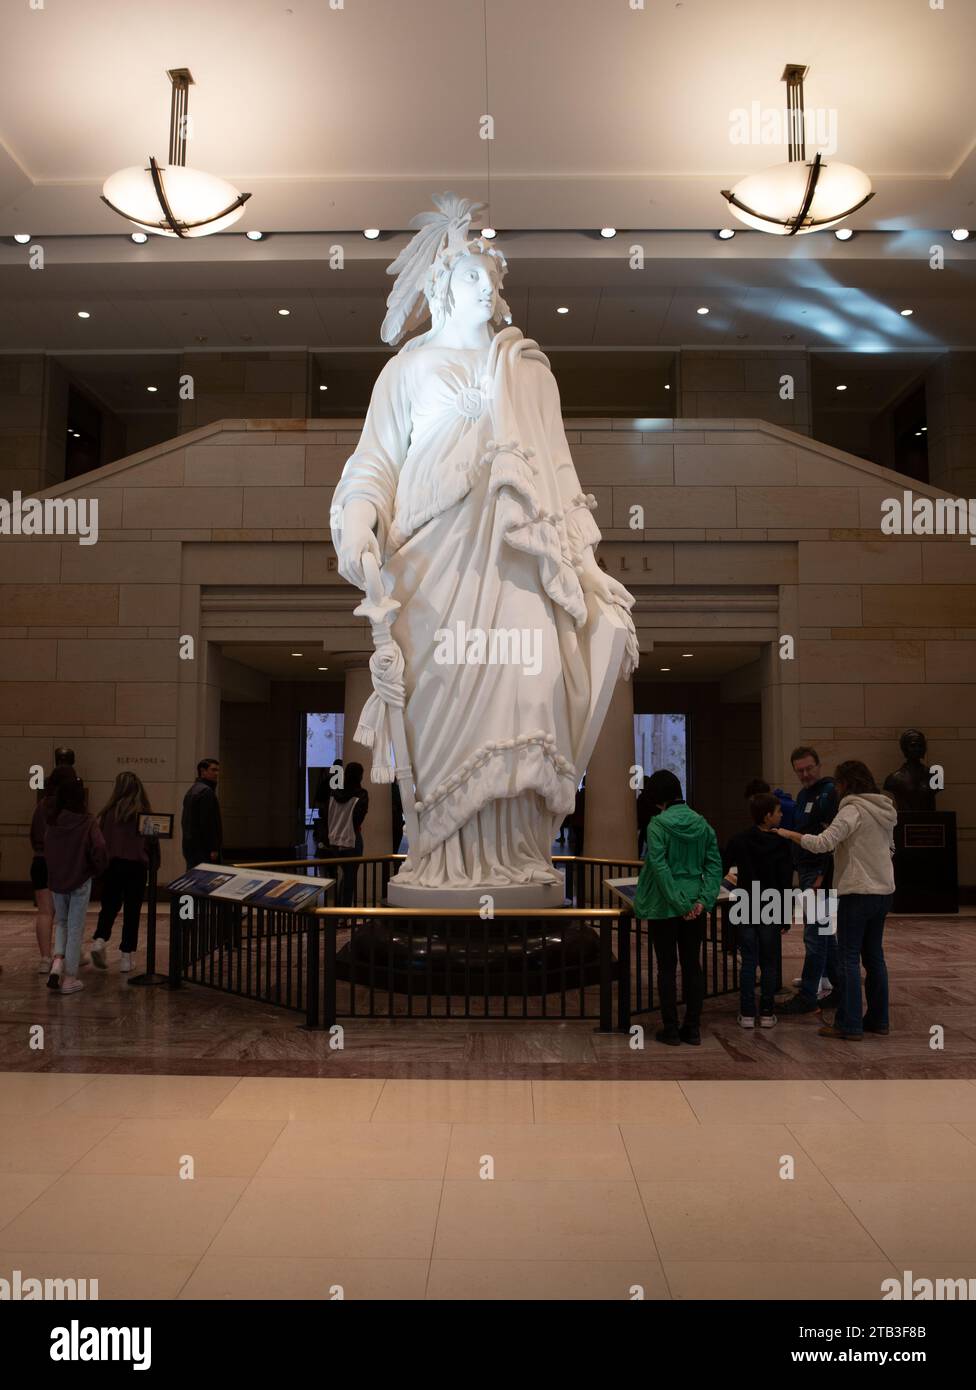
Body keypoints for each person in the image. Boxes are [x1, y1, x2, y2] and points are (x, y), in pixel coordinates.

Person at [777, 760, 896, 1041]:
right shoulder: (885, 810)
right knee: (875, 957)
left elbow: (823, 843)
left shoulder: (852, 809)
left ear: (845, 784)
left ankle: (849, 1023)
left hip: (857, 892)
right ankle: (879, 1020)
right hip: (884, 892)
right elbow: (891, 848)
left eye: (839, 784)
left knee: (849, 958)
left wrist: (788, 833)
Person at [633, 770, 723, 1046]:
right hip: (695, 906)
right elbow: (714, 865)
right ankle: (693, 1028)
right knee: (693, 966)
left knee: (666, 968)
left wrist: (679, 903)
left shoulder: (657, 825)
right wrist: (702, 901)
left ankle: (670, 1029)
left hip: (665, 906)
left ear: (657, 798)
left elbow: (659, 868)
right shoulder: (702, 824)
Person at [725, 792, 794, 1028]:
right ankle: (766, 1012)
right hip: (772, 902)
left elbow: (723, 865)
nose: (781, 814)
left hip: (745, 901)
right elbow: (786, 882)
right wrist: (786, 915)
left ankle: (745, 1013)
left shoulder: (739, 839)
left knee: (748, 961)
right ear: (767, 816)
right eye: (778, 811)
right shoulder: (782, 843)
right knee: (769, 962)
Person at [780, 746, 840, 1016]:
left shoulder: (830, 793)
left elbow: (832, 839)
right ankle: (839, 990)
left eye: (809, 768)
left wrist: (821, 875)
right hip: (807, 869)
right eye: (799, 771)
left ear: (819, 765)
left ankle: (808, 996)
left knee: (815, 935)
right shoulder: (805, 794)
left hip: (819, 872)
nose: (805, 774)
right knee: (825, 933)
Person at [44, 772, 108, 995]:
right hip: (80, 879)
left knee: (61, 923)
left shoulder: (52, 820)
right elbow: (99, 848)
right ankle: (70, 978)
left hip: (57, 880)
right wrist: (97, 869)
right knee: (75, 927)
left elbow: (46, 850)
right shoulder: (87, 821)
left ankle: (58, 961)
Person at [90, 771, 158, 973]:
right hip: (136, 867)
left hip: (113, 866)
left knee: (109, 906)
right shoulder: (144, 813)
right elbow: (152, 843)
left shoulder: (108, 813)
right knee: (132, 911)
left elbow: (101, 843)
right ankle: (126, 957)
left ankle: (100, 940)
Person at [28, 766, 75, 974]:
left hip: (39, 861)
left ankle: (44, 959)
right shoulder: (68, 808)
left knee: (45, 912)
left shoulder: (41, 805)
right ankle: (64, 955)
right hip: (61, 863)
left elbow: (33, 834)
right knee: (66, 915)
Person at [325, 761, 369, 907]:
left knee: (340, 876)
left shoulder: (334, 793)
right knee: (349, 878)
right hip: (352, 839)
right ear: (360, 776)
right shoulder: (361, 794)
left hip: (334, 840)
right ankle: (344, 912)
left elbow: (326, 814)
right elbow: (358, 818)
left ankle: (336, 908)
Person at [181, 758, 222, 870]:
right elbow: (208, 823)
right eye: (213, 770)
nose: (216, 773)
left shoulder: (192, 790)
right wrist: (213, 848)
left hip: (191, 847)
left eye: (217, 770)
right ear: (203, 771)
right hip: (203, 849)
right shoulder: (206, 792)